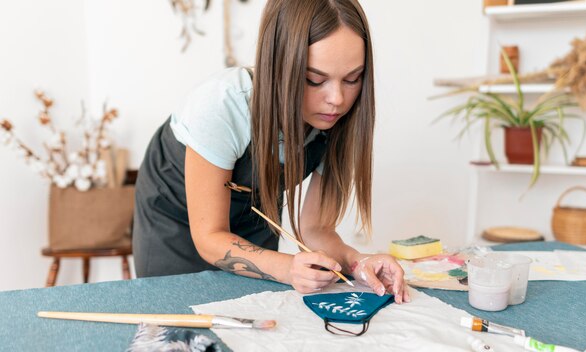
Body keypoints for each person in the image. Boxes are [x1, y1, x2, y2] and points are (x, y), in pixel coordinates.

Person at [133, 0, 410, 304]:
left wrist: (358, 263)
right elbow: (209, 237)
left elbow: (316, 228)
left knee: (254, 314)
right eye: (314, 80)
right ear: (279, 66)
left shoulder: (338, 120)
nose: (337, 99)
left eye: (352, 78)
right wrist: (288, 268)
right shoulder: (223, 104)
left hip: (254, 210)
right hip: (176, 221)